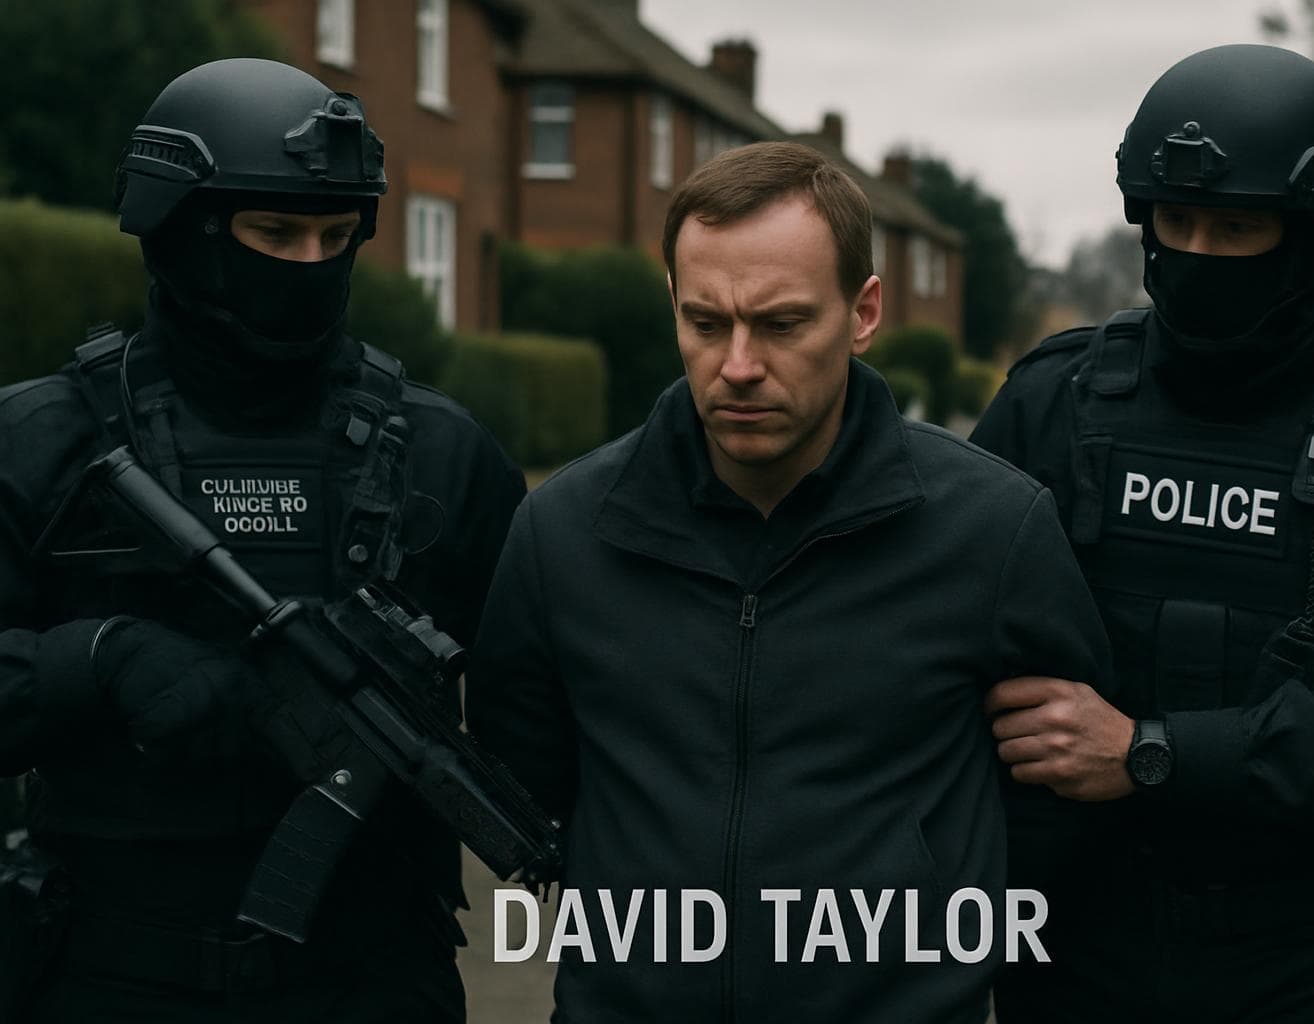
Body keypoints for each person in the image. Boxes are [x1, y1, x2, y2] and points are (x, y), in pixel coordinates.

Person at [466, 140, 1112, 1022]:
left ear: (863, 311)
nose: (737, 365)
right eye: (705, 323)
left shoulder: (994, 532)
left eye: (780, 325)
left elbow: (1055, 815)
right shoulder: (563, 532)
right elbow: (528, 783)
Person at [972, 43, 1314, 1023]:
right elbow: (940, 635)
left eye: (1236, 227)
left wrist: (1150, 753)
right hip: (1076, 941)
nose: (1198, 255)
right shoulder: (1055, 400)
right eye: (1176, 222)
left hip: (1312, 952)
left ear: (1312, 235)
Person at [0, 58, 524, 1022]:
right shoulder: (41, 443)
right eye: (275, 233)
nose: (309, 264)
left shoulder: (444, 457)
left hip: (372, 990)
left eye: (336, 236)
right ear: (180, 229)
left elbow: (548, 721)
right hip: (104, 980)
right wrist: (97, 661)